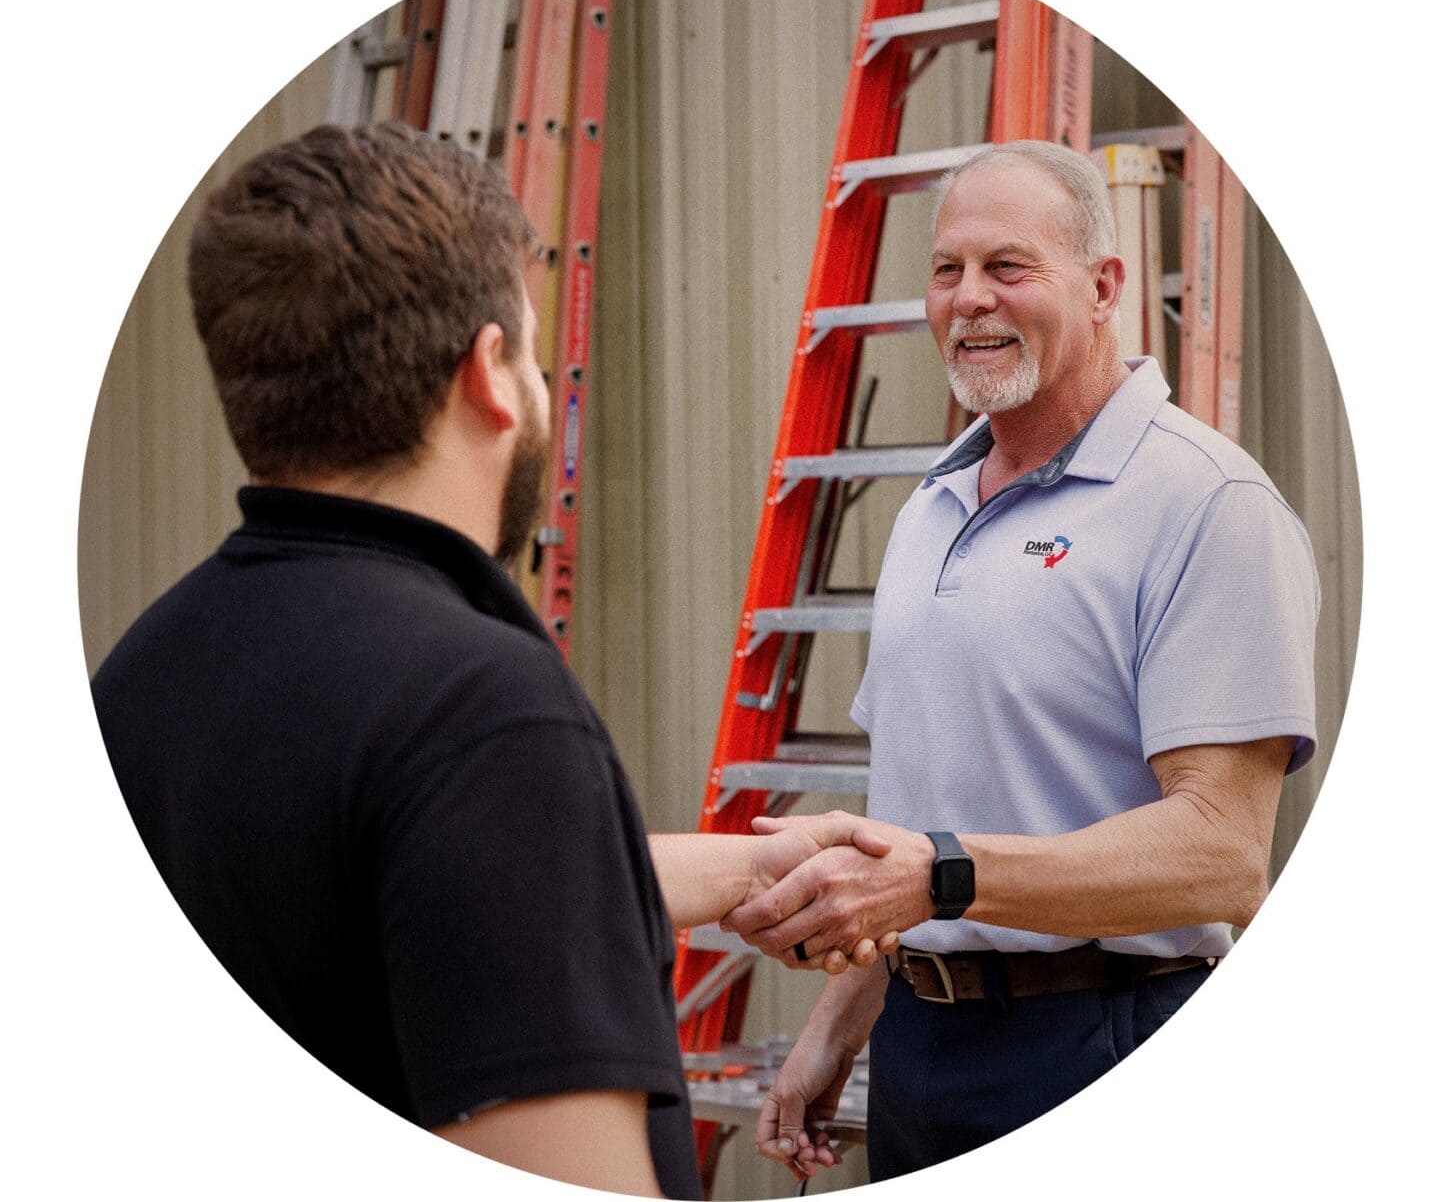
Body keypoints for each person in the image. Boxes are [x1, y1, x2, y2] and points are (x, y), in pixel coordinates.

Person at [89, 122, 894, 1199]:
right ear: (489, 376)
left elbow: (393, 894)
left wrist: (754, 867)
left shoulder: (146, 671)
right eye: (527, 342)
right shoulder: (479, 711)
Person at [721, 139, 1320, 1183]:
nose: (969, 299)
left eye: (1009, 266)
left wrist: (942, 876)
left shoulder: (1206, 506)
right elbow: (919, 811)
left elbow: (1222, 852)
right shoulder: (933, 507)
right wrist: (842, 1020)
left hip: (1105, 1043)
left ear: (1102, 286)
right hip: (920, 1044)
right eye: (947, 269)